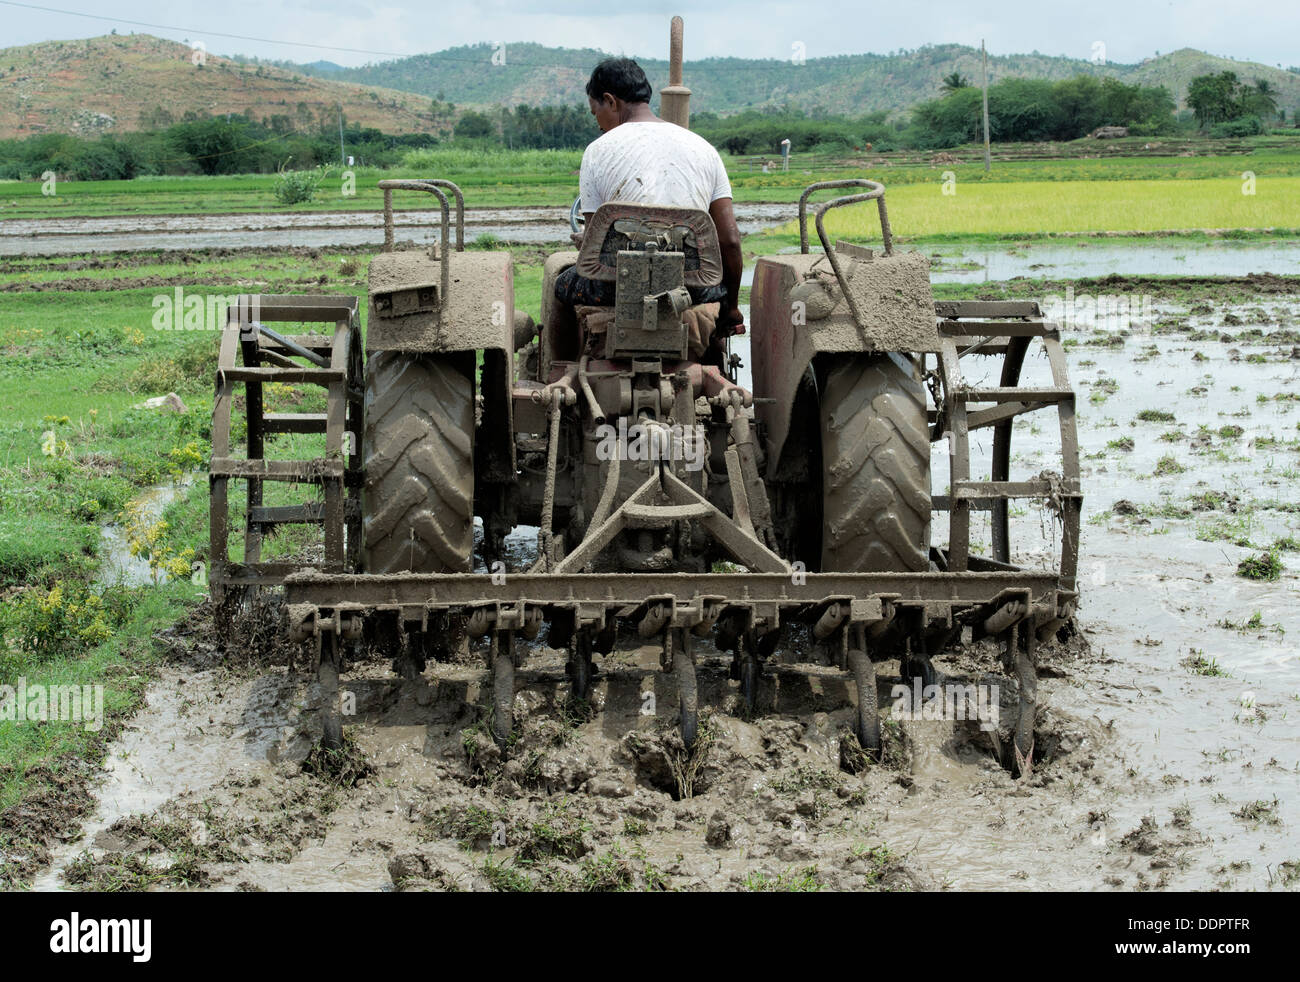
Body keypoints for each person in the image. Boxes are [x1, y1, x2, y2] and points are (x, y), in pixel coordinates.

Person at [555, 57, 745, 336]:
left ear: (610, 101)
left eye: (595, 112)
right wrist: (731, 307)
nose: (598, 124)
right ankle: (712, 348)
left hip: (615, 289)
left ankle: (557, 364)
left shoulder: (597, 151)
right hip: (691, 289)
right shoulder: (704, 149)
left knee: (559, 283)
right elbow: (729, 241)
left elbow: (596, 246)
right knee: (718, 290)